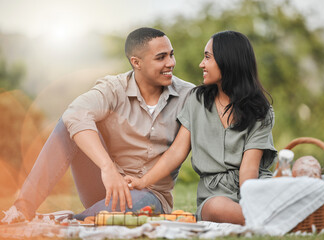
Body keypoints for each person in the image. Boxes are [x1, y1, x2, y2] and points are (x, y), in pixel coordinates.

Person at [1, 27, 194, 223]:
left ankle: (68, 220)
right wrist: (107, 168)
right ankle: (22, 209)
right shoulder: (114, 88)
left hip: (149, 194)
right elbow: (75, 113)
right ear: (136, 62)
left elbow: (180, 150)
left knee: (139, 204)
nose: (171, 63)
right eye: (161, 57)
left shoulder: (189, 96)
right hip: (105, 186)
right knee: (69, 123)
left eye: (171, 55)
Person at [125, 30, 277, 225]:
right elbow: (177, 151)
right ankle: (272, 221)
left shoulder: (260, 110)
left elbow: (249, 169)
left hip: (253, 187)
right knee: (216, 207)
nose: (201, 64)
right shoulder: (197, 100)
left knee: (299, 173)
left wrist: (251, 203)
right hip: (215, 195)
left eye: (207, 57)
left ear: (227, 61)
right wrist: (143, 181)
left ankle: (261, 217)